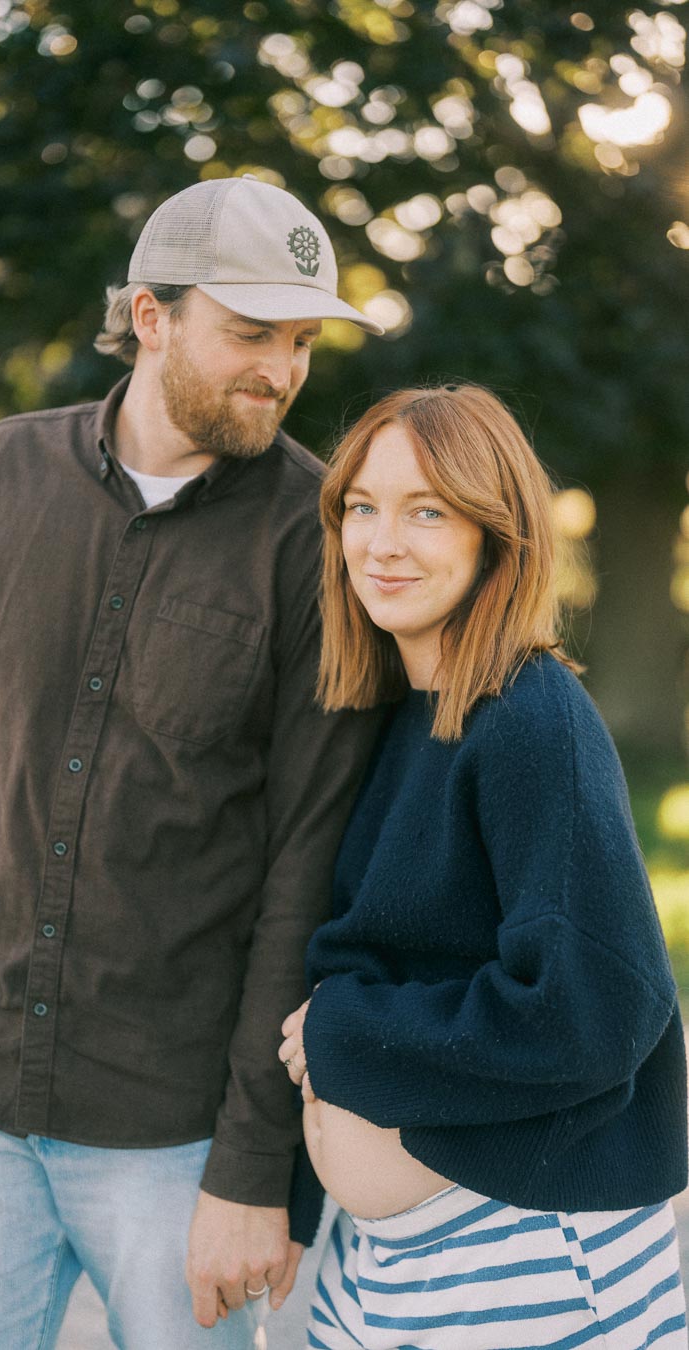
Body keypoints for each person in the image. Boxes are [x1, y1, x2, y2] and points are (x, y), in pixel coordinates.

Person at [0, 175, 385, 1350]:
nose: (280, 371)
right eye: (249, 334)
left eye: (299, 342)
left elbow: (306, 877)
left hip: (178, 1141)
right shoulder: (0, 476)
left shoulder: (319, 541)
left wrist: (253, 1170)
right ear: (150, 317)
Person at [278, 385, 688, 1349]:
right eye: (362, 507)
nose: (383, 541)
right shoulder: (402, 714)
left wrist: (347, 1029)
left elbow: (596, 1009)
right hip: (390, 1266)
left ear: (496, 537)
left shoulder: (531, 720)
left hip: (523, 1256)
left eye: (427, 511)